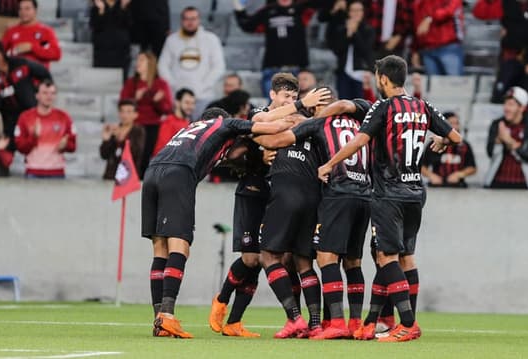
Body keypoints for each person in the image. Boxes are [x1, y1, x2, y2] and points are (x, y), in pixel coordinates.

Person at [318, 55, 462, 342]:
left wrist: (329, 164)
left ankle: (407, 324)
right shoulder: (423, 106)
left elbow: (359, 141)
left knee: (386, 256)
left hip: (389, 193)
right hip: (415, 192)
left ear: (383, 79)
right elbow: (456, 137)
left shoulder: (383, 107)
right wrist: (441, 139)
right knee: (406, 257)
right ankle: (381, 320)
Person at [144, 107, 297, 339]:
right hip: (179, 174)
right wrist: (300, 108)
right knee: (180, 246)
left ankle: (159, 319)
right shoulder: (224, 124)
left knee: (160, 249)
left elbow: (227, 158)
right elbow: (271, 127)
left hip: (152, 172)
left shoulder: (191, 129)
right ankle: (167, 316)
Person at [208, 74, 329, 338]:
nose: (290, 100)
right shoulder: (260, 112)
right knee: (252, 258)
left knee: (286, 260)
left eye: (294, 97)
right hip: (255, 191)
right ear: (273, 95)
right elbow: (252, 132)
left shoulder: (300, 121)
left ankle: (247, 322)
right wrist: (261, 152)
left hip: (282, 192)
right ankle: (221, 300)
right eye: (285, 96)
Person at [254, 96, 372, 339]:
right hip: (365, 195)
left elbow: (276, 139)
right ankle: (348, 323)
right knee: (350, 262)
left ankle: (317, 321)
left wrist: (254, 137)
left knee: (323, 258)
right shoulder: (362, 122)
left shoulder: (318, 123)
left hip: (337, 194)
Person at [233, 0, 325, 96]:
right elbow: (248, 25)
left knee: (299, 105)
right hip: (272, 67)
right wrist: (238, 7)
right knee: (273, 106)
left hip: (297, 68)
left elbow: (320, 4)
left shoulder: (301, 8)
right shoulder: (267, 11)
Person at [158, 6, 225, 120]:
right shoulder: (172, 40)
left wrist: (202, 86)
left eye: (193, 18)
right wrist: (175, 86)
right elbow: (162, 66)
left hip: (204, 97)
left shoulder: (211, 39)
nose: (190, 22)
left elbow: (219, 67)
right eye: (186, 19)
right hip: (179, 97)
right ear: (182, 20)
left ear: (199, 20)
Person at [0, 40, 52, 139]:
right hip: (6, 122)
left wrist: (41, 93)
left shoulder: (21, 64)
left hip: (30, 116)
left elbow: (44, 74)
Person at [120, 50, 173, 177]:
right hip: (134, 126)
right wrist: (136, 99)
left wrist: (157, 101)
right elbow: (122, 103)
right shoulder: (131, 83)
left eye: (141, 60)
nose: (137, 63)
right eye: (137, 60)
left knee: (146, 157)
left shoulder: (160, 83)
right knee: (131, 156)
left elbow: (167, 109)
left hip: (152, 126)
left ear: (151, 63)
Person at [14, 79, 76, 178]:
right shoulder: (25, 117)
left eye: (52, 93)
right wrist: (33, 137)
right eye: (45, 93)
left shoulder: (64, 117)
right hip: (33, 172)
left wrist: (65, 146)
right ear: (37, 95)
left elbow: (73, 146)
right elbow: (20, 147)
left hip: (57, 172)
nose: (49, 96)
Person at [484, 86, 528, 191]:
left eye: (511, 104)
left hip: (523, 183)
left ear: (522, 108)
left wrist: (507, 140)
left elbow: (527, 154)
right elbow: (490, 152)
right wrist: (498, 141)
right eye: (505, 104)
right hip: (497, 181)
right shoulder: (497, 124)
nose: (506, 108)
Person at [326, 0, 375, 100]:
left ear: (363, 12)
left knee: (360, 104)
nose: (356, 13)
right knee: (344, 103)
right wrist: (348, 35)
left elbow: (365, 51)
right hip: (343, 72)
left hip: (361, 72)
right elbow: (337, 50)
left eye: (359, 10)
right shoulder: (341, 29)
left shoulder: (368, 30)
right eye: (353, 10)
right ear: (349, 12)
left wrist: (355, 33)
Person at [421, 112, 477, 187]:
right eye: (451, 124)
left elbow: (472, 168)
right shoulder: (434, 143)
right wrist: (431, 176)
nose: (455, 127)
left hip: (458, 186)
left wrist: (459, 174)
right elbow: (422, 166)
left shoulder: (465, 146)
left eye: (457, 123)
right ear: (444, 125)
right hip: (437, 186)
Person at [1, 0, 62, 69]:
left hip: (38, 77)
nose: (23, 12)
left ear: (35, 10)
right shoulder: (11, 31)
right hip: (15, 76)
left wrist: (32, 47)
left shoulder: (46, 31)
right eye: (20, 9)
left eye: (27, 9)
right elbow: (0, 53)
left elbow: (56, 54)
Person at [412, 0, 465, 75]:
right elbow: (417, 26)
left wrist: (430, 18)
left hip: (448, 47)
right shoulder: (418, 2)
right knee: (432, 85)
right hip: (427, 49)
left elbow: (450, 10)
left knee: (455, 84)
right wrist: (415, 50)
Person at [100, 99, 146, 180]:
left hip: (129, 178)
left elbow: (136, 152)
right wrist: (106, 140)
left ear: (135, 114)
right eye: (122, 111)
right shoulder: (114, 129)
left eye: (129, 112)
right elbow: (104, 155)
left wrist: (121, 138)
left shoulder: (138, 131)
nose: (125, 115)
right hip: (111, 176)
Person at [89, 0, 132, 80]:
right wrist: (101, 11)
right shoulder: (96, 8)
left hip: (121, 53)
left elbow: (128, 24)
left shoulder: (125, 6)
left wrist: (123, 8)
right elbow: (95, 26)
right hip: (102, 53)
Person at [152, 88, 195, 158]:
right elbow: (162, 150)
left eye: (192, 103)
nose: (190, 106)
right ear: (177, 103)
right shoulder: (168, 122)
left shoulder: (190, 123)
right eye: (187, 103)